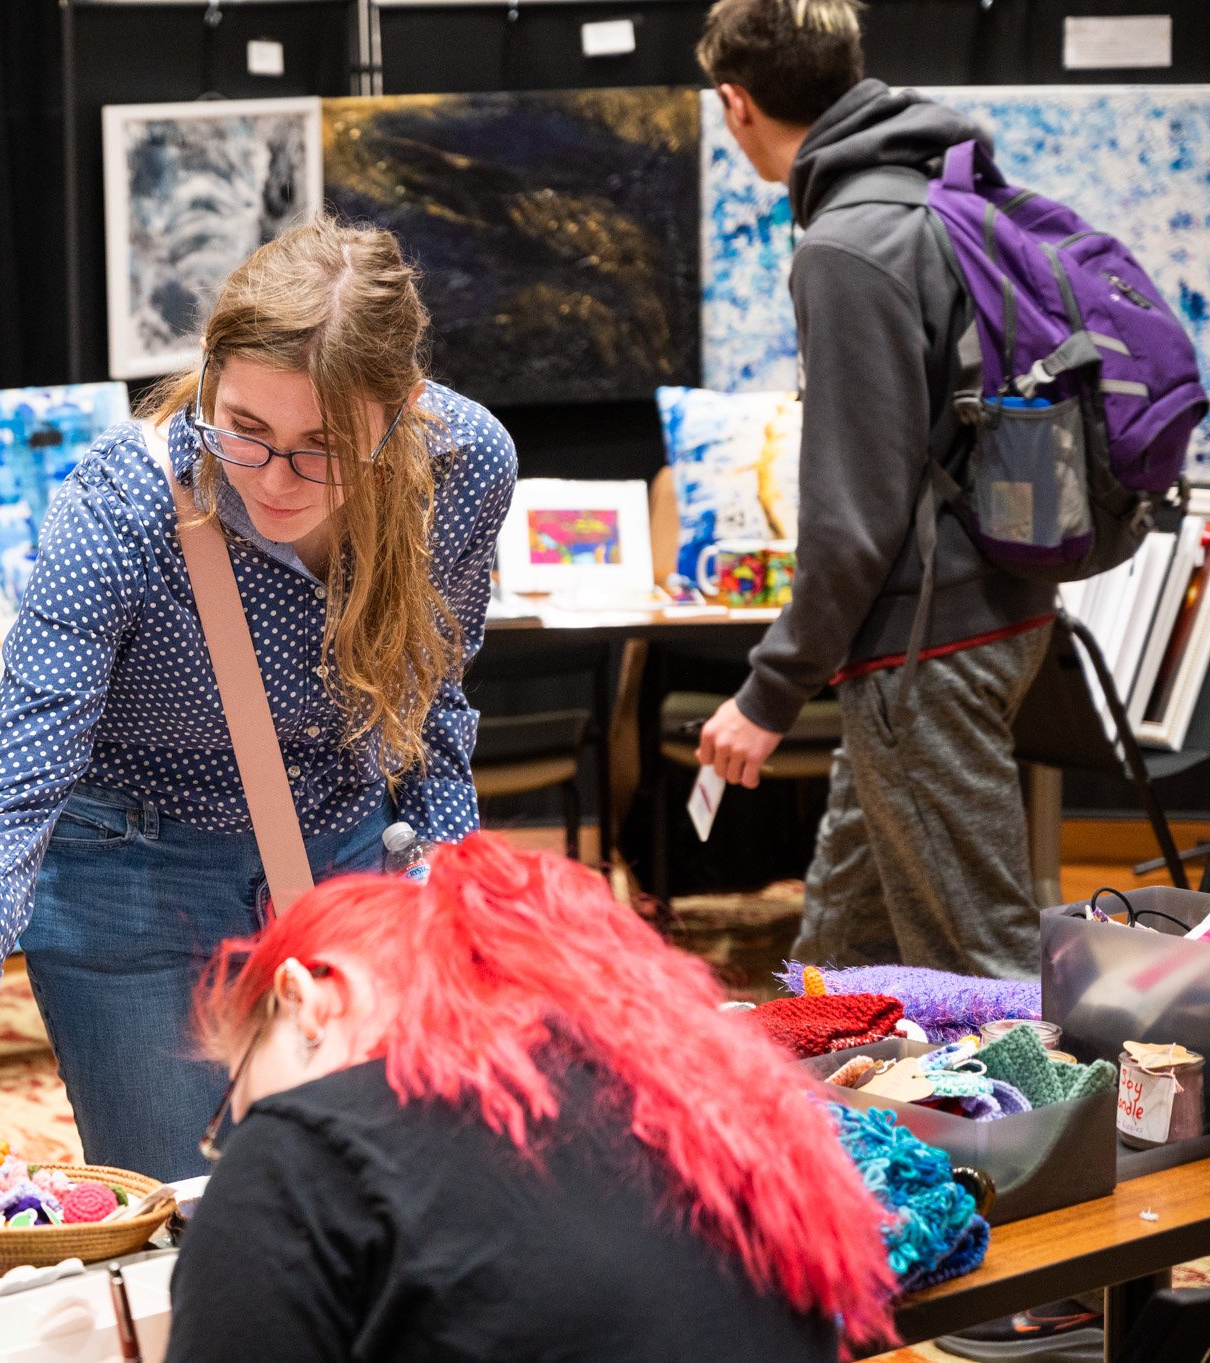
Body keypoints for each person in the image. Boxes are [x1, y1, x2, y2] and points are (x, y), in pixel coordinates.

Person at [0, 217, 518, 1182]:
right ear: (207, 375)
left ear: (402, 411)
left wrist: (444, 894)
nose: (273, 477)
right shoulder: (121, 510)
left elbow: (430, 708)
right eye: (246, 430)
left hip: (342, 857)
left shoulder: (460, 468)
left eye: (324, 447)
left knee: (372, 1185)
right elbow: (14, 785)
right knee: (191, 1210)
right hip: (129, 881)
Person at [167, 834, 896, 1363]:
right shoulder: (684, 1095)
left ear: (305, 998)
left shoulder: (298, 1154)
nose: (242, 1128)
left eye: (242, 1090)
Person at [694, 0, 1056, 979]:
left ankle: (1047, 1133)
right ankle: (811, 1115)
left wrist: (767, 693)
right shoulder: (943, 197)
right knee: (842, 952)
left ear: (736, 103)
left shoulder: (846, 244)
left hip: (924, 644)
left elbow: (852, 518)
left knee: (978, 963)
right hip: (982, 614)